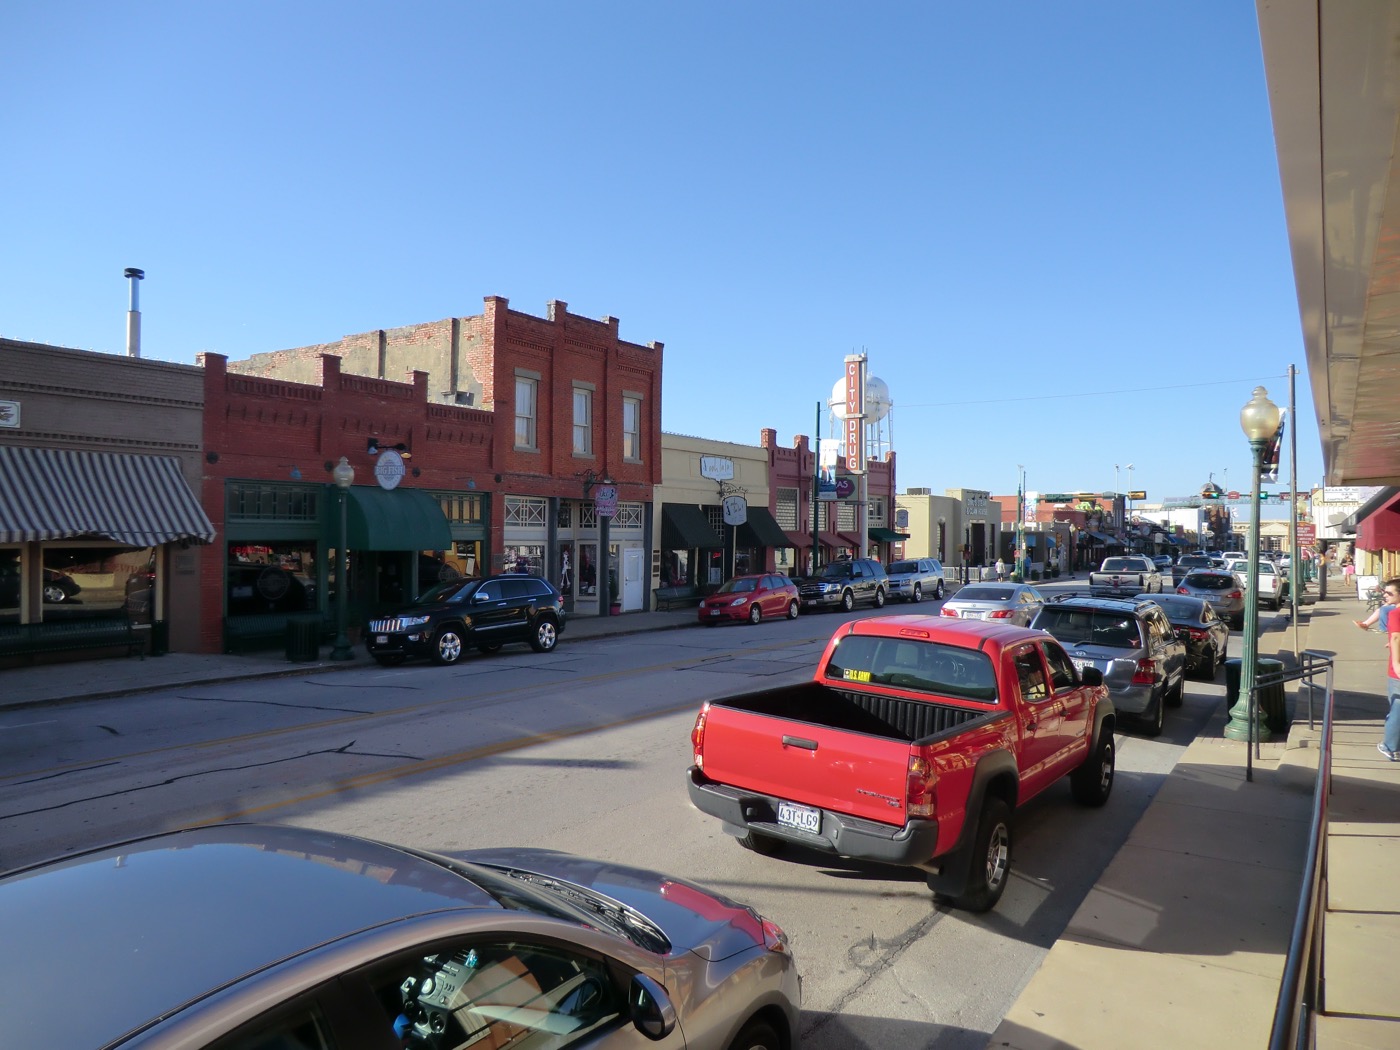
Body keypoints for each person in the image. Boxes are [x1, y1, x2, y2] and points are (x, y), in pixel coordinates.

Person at [1381, 578, 1400, 762]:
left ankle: (1390, 746)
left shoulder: (1395, 614)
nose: (1385, 595)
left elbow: (1395, 638)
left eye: (1389, 593)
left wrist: (1396, 664)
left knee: (1397, 707)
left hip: (1397, 669)